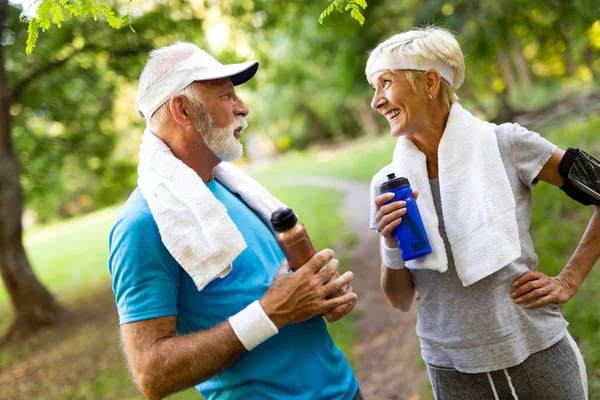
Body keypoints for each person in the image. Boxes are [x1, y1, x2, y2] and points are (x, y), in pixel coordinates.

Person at [108, 42, 361, 400]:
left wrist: (320, 294)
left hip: (345, 390)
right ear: (182, 109)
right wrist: (272, 312)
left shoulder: (235, 189)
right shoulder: (142, 224)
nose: (243, 108)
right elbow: (151, 374)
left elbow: (279, 291)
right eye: (227, 96)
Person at [367, 27, 600, 400]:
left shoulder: (506, 144)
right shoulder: (389, 183)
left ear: (429, 82)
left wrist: (568, 280)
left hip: (537, 355)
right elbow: (399, 299)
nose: (376, 101)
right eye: (374, 88)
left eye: (386, 83)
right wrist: (389, 242)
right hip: (452, 371)